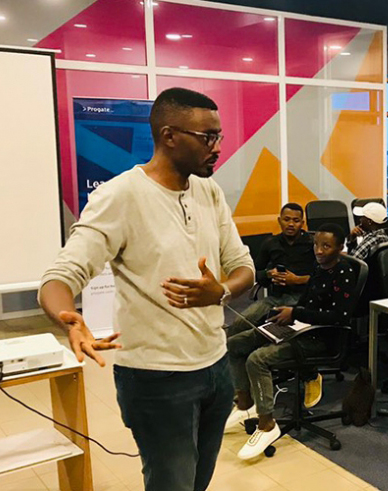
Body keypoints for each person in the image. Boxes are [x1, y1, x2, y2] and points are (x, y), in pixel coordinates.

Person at [38, 88, 256, 491]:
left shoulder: (208, 191)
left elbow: (244, 266)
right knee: (172, 483)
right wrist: (69, 318)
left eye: (219, 136)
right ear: (170, 135)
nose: (218, 147)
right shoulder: (120, 196)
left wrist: (220, 291)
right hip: (157, 379)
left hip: (215, 367)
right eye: (208, 137)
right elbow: (61, 276)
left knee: (199, 481)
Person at [226, 224, 357, 459]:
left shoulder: (344, 272)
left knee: (257, 360)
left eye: (326, 246)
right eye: (317, 244)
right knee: (235, 344)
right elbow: (306, 303)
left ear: (340, 248)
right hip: (301, 327)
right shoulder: (319, 268)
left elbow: (340, 317)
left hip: (322, 337)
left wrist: (295, 314)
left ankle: (266, 424)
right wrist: (286, 314)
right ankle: (246, 403)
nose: (318, 250)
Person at [228, 203, 314, 337]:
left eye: (296, 221)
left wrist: (297, 280)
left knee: (271, 331)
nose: (291, 224)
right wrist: (269, 274)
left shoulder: (313, 244)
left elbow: (323, 278)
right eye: (287, 219)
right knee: (239, 324)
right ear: (279, 221)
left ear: (302, 223)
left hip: (301, 300)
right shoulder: (270, 243)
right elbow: (253, 273)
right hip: (275, 298)